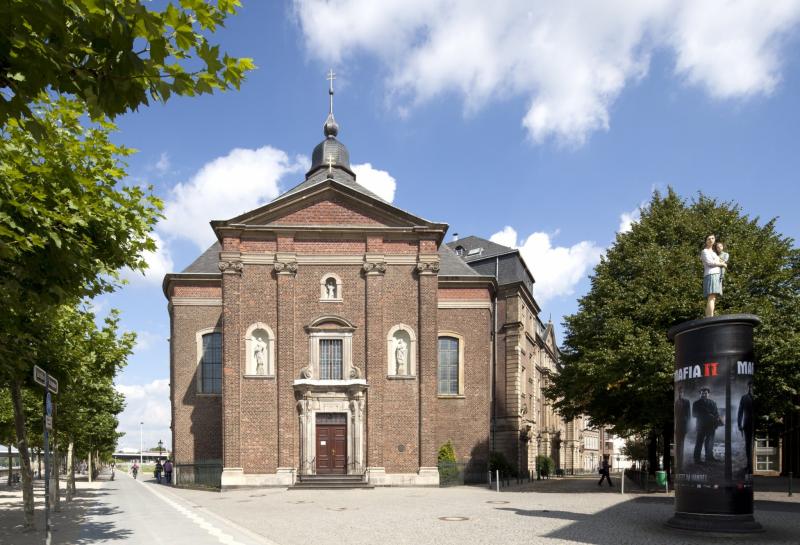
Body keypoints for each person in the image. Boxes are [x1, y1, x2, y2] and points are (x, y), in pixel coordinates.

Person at [693, 387, 722, 464]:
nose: (704, 395)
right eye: (702, 393)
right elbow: (694, 414)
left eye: (706, 393)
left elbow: (716, 413)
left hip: (711, 425)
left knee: (710, 442)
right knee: (699, 442)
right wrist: (706, 415)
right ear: (700, 394)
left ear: (708, 394)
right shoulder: (696, 403)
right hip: (701, 425)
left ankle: (709, 457)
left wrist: (717, 419)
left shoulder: (713, 402)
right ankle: (697, 459)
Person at [701, 234, 727, 317]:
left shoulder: (714, 253)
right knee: (711, 297)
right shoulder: (705, 251)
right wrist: (721, 264)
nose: (711, 240)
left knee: (713, 298)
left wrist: (722, 263)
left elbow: (721, 259)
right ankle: (709, 317)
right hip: (711, 274)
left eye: (712, 238)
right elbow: (710, 263)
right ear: (706, 241)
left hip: (716, 275)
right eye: (709, 239)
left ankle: (709, 316)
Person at [738, 382, 754, 474]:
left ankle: (751, 466)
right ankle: (749, 466)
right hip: (747, 424)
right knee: (748, 445)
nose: (752, 388)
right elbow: (740, 412)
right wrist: (739, 425)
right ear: (748, 387)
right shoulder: (744, 398)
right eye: (751, 386)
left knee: (752, 445)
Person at [675, 385, 691, 471]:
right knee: (678, 447)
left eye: (681, 392)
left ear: (683, 393)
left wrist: (688, 427)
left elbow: (689, 415)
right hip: (678, 427)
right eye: (679, 392)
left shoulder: (687, 402)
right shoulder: (676, 402)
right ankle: (678, 465)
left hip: (683, 426)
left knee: (681, 446)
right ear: (678, 392)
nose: (680, 393)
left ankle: (680, 466)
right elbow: (676, 416)